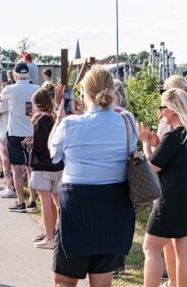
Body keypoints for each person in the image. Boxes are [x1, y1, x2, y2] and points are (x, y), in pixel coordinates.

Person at [49, 66, 136, 286]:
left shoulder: (70, 124)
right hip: (115, 204)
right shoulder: (127, 121)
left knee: (65, 280)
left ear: (84, 95)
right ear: (113, 92)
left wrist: (60, 119)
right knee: (102, 280)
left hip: (77, 205)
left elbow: (53, 154)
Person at [139, 89, 187, 287]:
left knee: (150, 248)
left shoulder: (174, 136)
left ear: (173, 110)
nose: (159, 113)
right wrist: (156, 146)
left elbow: (151, 168)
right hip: (184, 197)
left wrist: (144, 143)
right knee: (183, 250)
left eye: (162, 107)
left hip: (169, 199)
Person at [0, 63, 39, 212]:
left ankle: (20, 201)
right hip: (32, 132)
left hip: (15, 133)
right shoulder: (36, 89)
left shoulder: (9, 89)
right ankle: (33, 200)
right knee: (31, 168)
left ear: (15, 76)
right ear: (28, 75)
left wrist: (0, 86)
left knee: (16, 168)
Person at [28, 88, 64, 249]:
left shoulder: (40, 120)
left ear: (37, 104)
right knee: (58, 204)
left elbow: (39, 146)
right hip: (58, 165)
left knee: (45, 203)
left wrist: (30, 145)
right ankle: (60, 234)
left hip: (43, 166)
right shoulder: (54, 117)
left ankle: (49, 237)